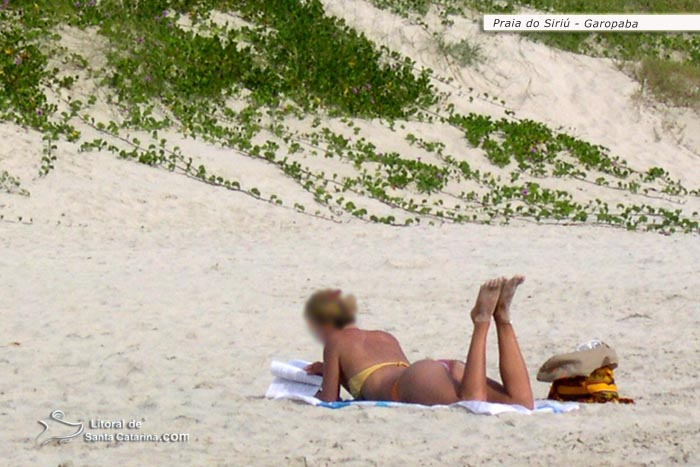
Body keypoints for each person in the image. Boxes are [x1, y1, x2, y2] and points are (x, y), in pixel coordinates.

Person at [303, 276, 534, 409]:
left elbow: (330, 399)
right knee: (522, 403)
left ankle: (481, 323)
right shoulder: (384, 336)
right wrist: (329, 370)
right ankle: (503, 320)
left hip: (406, 385)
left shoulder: (335, 342)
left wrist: (313, 393)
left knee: (472, 401)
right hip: (433, 371)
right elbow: (372, 373)